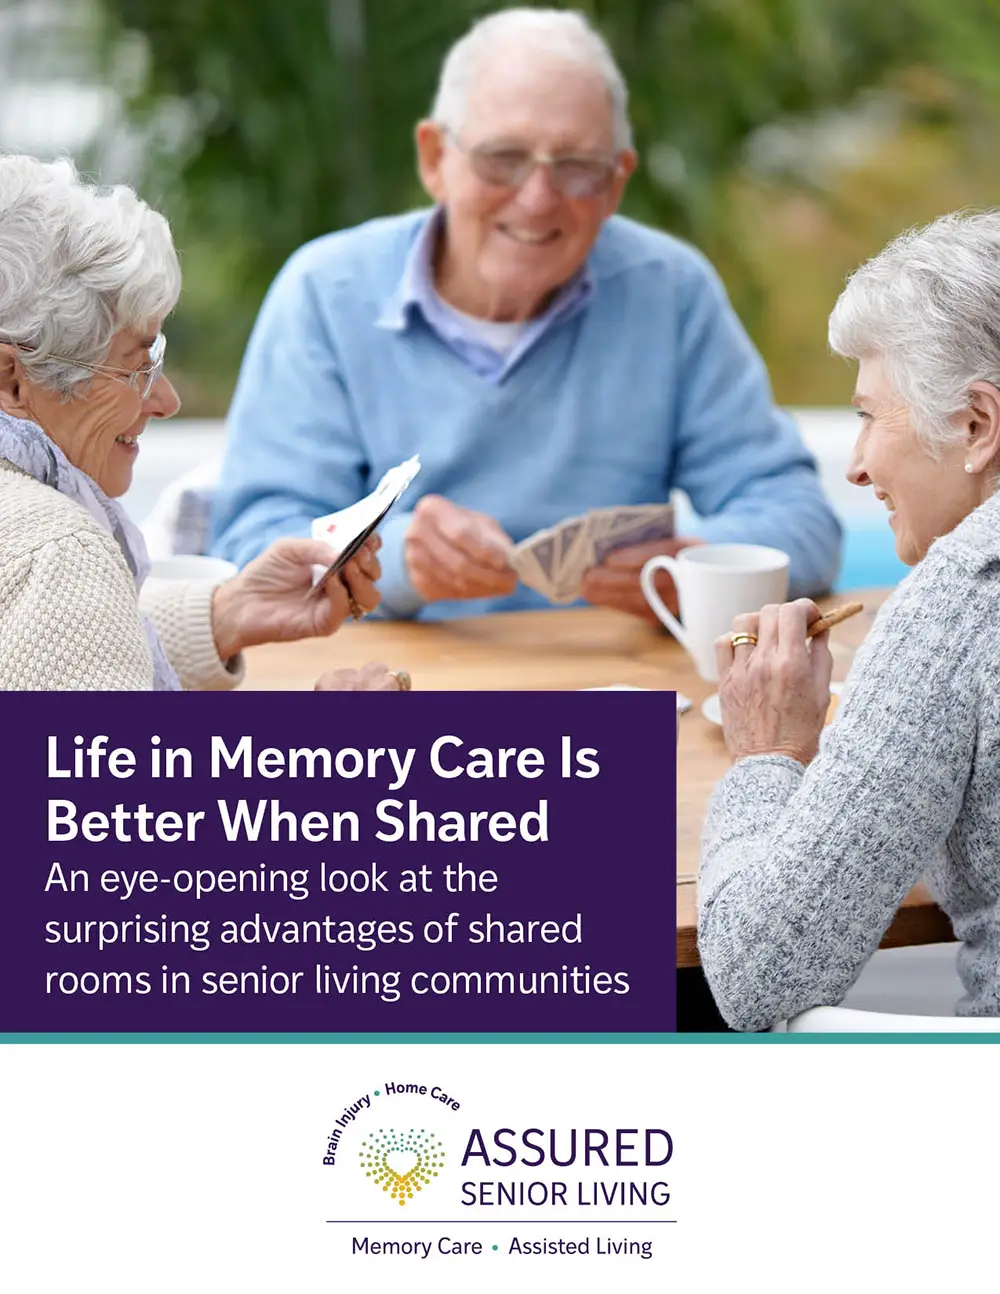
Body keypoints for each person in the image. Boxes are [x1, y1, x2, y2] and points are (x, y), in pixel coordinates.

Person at [210, 7, 841, 622]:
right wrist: (397, 560)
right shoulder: (326, 291)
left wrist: (701, 569)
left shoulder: (671, 292)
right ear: (435, 159)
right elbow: (249, 549)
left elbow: (804, 522)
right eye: (502, 158)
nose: (537, 200)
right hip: (391, 703)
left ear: (617, 182)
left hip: (613, 697)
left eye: (577, 167)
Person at [698, 210, 1000, 1030]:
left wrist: (765, 754)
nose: (858, 462)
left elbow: (758, 974)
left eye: (870, 415)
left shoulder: (963, 598)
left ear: (977, 426)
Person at [0, 154, 406, 692]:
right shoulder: (59, 555)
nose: (165, 401)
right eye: (133, 368)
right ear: (11, 380)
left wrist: (227, 611)